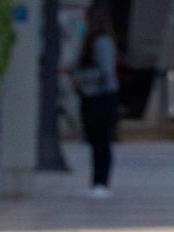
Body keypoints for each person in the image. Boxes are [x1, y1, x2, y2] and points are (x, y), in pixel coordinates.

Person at [70, 5, 121, 196]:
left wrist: (81, 78)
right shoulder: (87, 42)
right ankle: (97, 181)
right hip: (90, 95)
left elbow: (106, 72)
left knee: (102, 141)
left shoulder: (102, 42)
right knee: (95, 140)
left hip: (101, 97)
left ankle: (102, 182)